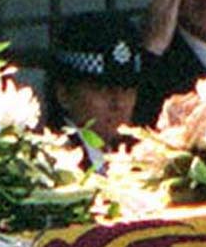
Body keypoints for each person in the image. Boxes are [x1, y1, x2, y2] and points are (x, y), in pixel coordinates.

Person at [25, 10, 153, 155]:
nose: (119, 103)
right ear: (64, 94)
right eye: (102, 89)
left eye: (127, 90)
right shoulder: (51, 160)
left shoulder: (136, 154)